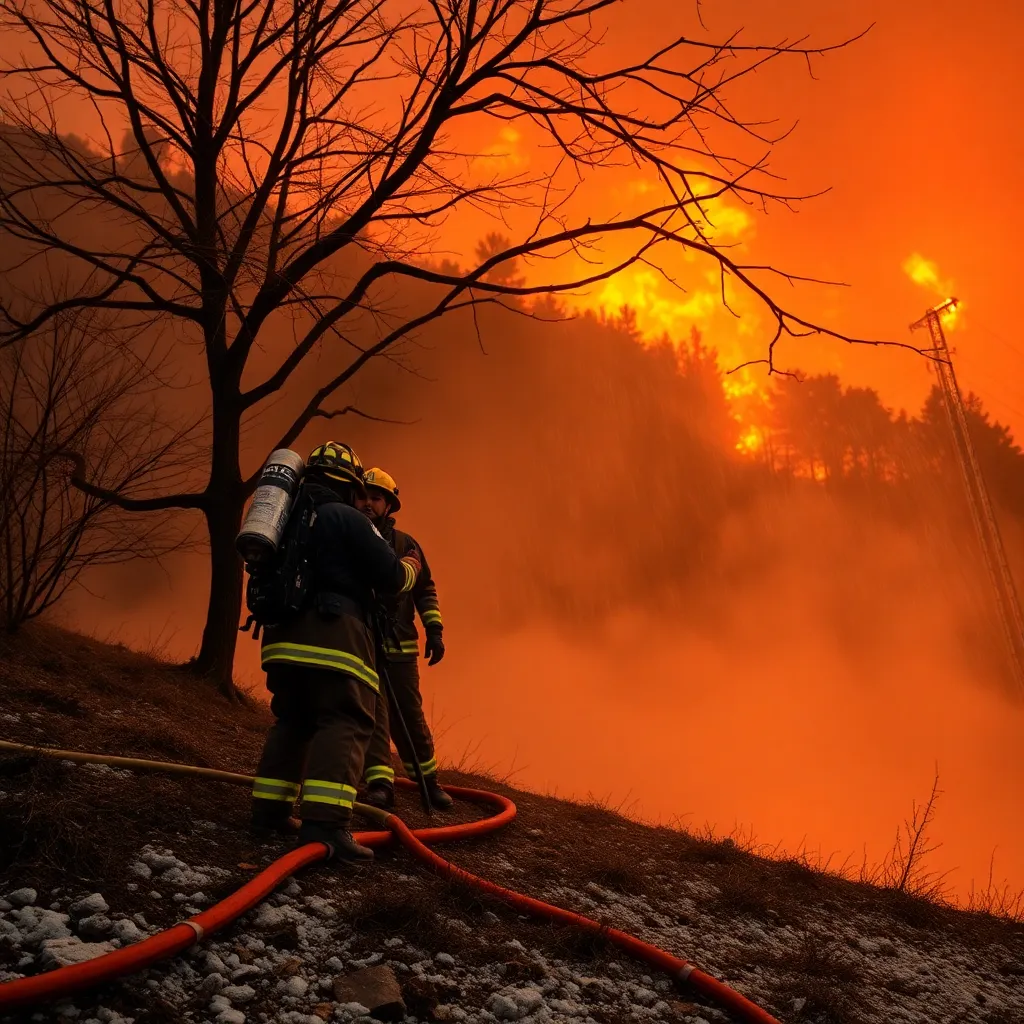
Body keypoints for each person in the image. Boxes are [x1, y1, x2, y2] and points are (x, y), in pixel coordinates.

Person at [249, 442, 422, 861]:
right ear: (349, 485)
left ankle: (269, 814)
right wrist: (413, 565)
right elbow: (392, 578)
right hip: (333, 638)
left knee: (293, 721)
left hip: (281, 640)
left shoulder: (286, 516)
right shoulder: (347, 518)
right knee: (345, 719)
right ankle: (325, 827)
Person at [357, 467, 453, 811]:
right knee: (373, 714)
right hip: (362, 645)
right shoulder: (350, 537)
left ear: (389, 505)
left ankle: (428, 782)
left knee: (409, 715)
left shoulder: (405, 545)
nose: (368, 503)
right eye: (363, 496)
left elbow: (424, 589)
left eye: (376, 498)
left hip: (400, 648)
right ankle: (380, 785)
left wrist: (435, 631)